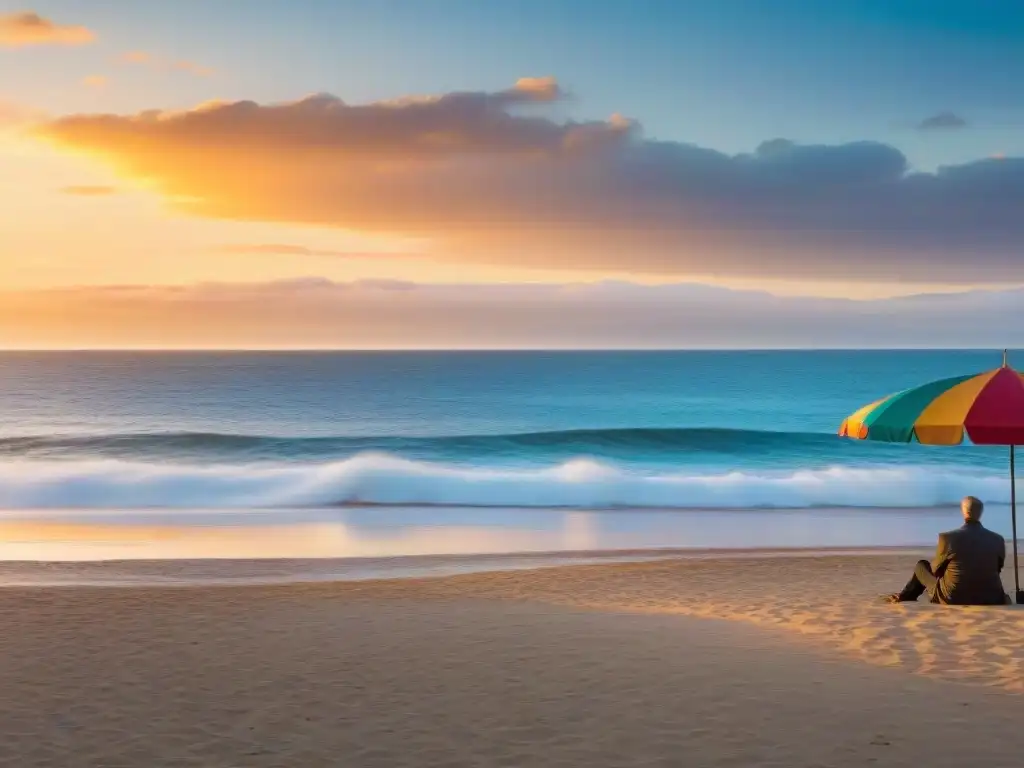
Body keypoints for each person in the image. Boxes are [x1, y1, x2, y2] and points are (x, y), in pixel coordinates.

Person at [885, 496, 1009, 605]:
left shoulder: (947, 538)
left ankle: (905, 597)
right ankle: (905, 596)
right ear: (981, 513)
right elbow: (997, 569)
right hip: (991, 597)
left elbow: (935, 570)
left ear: (963, 512)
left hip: (953, 598)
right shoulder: (997, 539)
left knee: (921, 566)